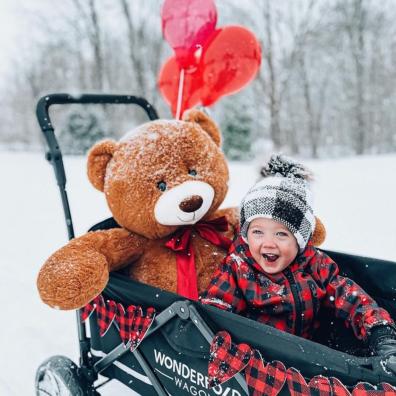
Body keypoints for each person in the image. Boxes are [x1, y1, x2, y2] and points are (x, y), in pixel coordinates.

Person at [201, 154, 396, 373]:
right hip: (261, 362)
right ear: (246, 234)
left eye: (281, 234)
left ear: (300, 239)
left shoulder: (315, 265)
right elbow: (215, 308)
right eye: (257, 232)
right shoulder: (238, 267)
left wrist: (379, 331)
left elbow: (350, 297)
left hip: (308, 358)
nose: (268, 243)